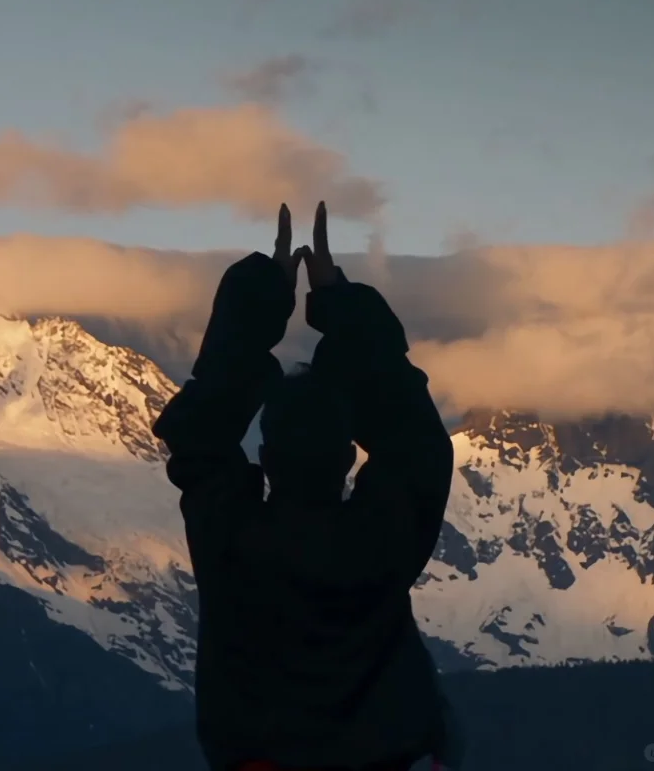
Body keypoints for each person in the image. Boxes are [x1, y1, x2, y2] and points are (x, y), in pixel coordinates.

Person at [151, 202, 461, 771]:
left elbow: (199, 440)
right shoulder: (384, 535)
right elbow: (416, 443)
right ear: (349, 457)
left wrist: (257, 304)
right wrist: (340, 302)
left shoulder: (230, 540)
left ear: (264, 458)